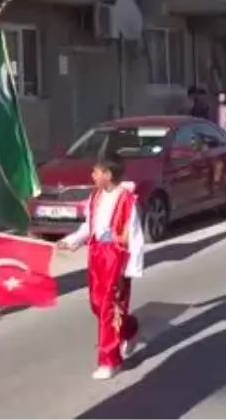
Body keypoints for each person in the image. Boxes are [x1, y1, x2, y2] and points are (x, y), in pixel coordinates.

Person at [57, 158, 144, 380]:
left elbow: (134, 236)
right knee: (97, 305)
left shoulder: (127, 200)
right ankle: (130, 329)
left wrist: (130, 270)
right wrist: (71, 241)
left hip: (116, 259)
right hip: (97, 257)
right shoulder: (95, 197)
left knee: (109, 308)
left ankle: (110, 361)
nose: (92, 176)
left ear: (109, 175)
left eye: (96, 172)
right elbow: (89, 227)